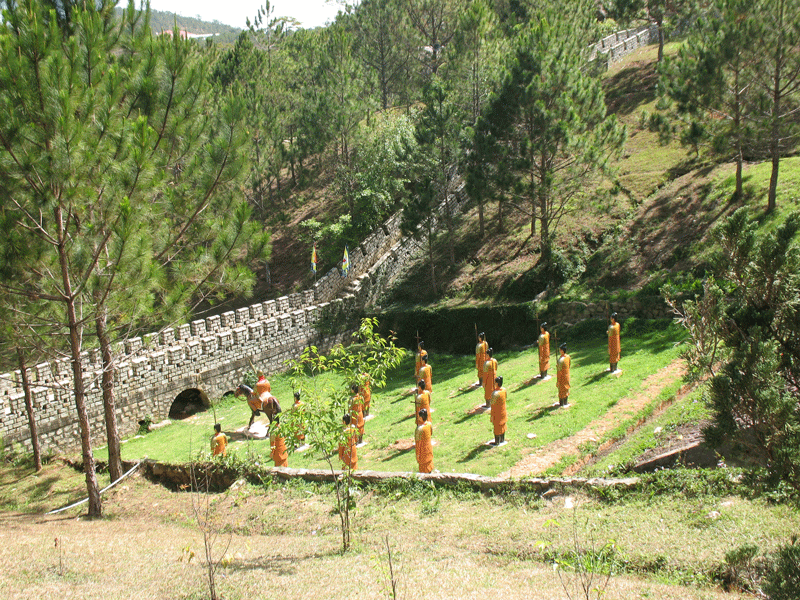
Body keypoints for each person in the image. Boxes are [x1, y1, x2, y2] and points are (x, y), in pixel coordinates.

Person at [415, 408, 434, 473]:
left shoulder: (419, 429)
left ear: (421, 417)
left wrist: (417, 455)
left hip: (422, 451)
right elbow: (431, 433)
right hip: (429, 448)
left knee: (423, 468)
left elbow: (418, 443)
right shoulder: (429, 424)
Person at [490, 376, 507, 446]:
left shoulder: (495, 394)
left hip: (496, 412)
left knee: (497, 426)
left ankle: (497, 441)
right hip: (503, 411)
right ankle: (502, 439)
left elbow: (492, 403)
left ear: (497, 383)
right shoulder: (504, 390)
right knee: (503, 424)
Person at [557, 343, 571, 407]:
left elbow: (559, 371)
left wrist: (558, 381)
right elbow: (569, 365)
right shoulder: (568, 357)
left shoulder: (561, 360)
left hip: (562, 377)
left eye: (560, 350)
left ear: (562, 351)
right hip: (567, 376)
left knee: (561, 390)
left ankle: (562, 403)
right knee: (566, 388)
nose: (559, 351)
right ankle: (566, 402)